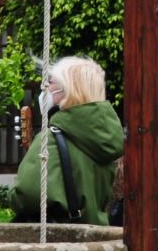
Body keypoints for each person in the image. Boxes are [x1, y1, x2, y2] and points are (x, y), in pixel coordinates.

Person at [11, 56, 124, 225]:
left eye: (51, 83)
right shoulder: (108, 136)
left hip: (60, 236)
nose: (46, 88)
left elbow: (27, 194)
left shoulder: (50, 139)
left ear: (68, 90)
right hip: (97, 231)